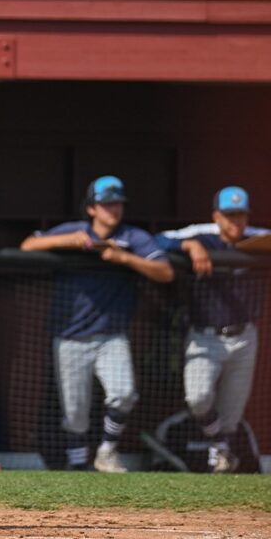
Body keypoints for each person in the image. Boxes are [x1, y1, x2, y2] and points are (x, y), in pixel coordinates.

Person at [20, 176, 173, 473]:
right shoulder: (74, 230)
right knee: (75, 412)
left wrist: (123, 258)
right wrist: (69, 241)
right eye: (106, 204)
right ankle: (78, 466)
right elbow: (27, 245)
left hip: (111, 335)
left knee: (124, 393)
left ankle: (106, 450)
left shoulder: (133, 236)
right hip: (70, 335)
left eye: (117, 203)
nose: (113, 209)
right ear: (91, 208)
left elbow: (165, 272)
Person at [155, 186, 268, 473]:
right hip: (205, 334)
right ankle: (219, 446)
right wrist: (191, 246)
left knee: (232, 412)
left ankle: (221, 456)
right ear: (216, 216)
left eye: (240, 215)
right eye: (229, 215)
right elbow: (158, 240)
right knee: (198, 398)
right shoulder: (202, 233)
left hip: (244, 336)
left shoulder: (258, 237)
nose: (236, 222)